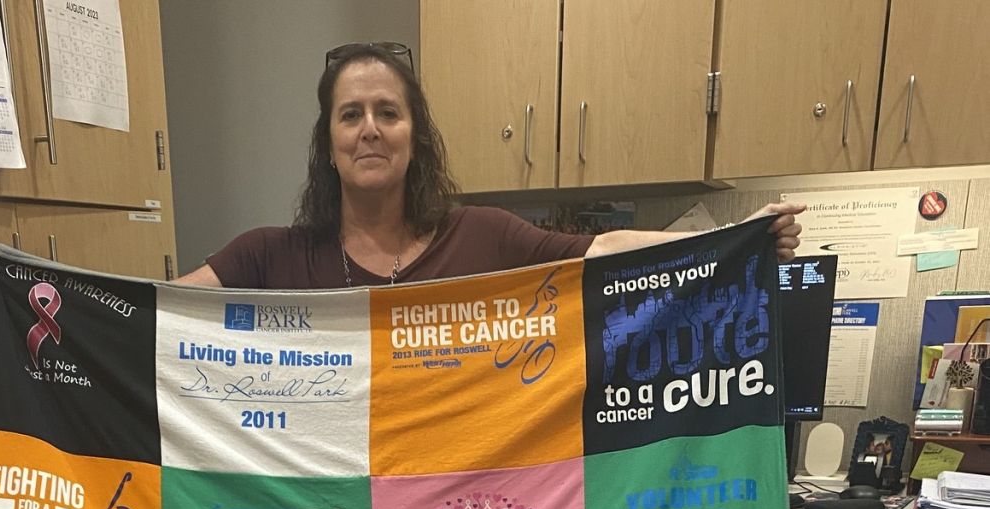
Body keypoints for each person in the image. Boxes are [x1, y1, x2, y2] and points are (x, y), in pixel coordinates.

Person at [177, 41, 803, 291]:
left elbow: (604, 249)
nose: (370, 129)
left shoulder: (483, 236)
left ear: (415, 136)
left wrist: (734, 240)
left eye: (388, 113)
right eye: (350, 115)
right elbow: (151, 317)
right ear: (328, 142)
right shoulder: (269, 257)